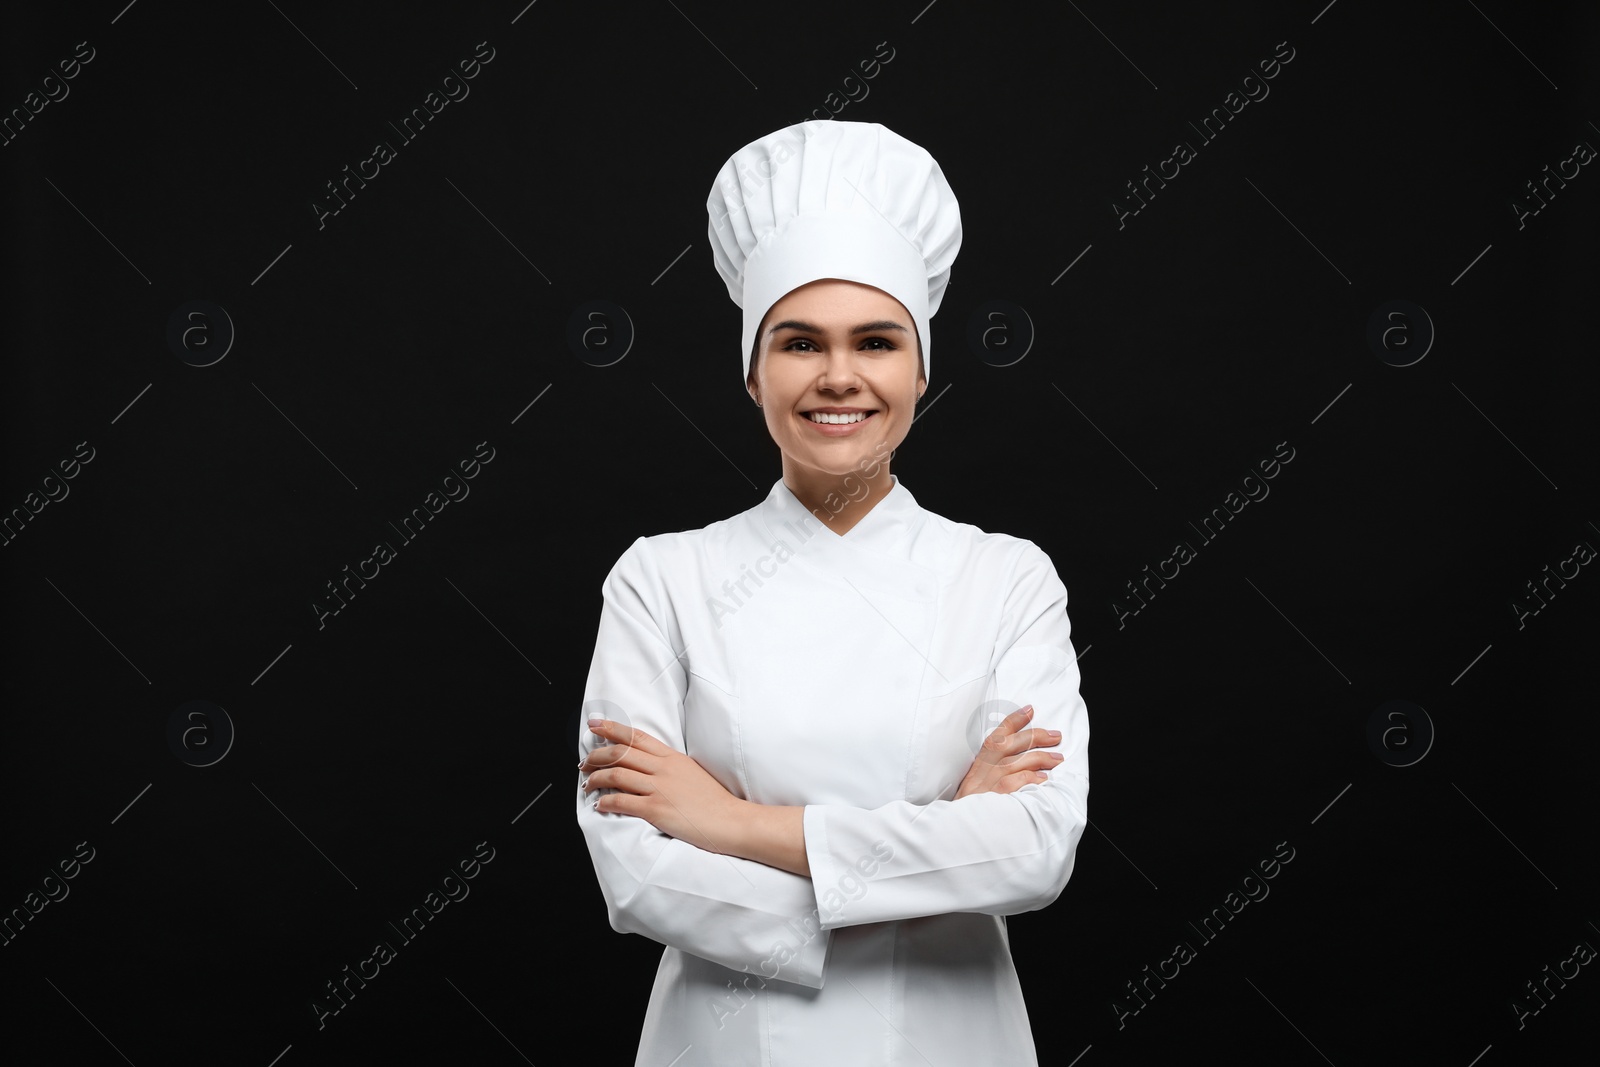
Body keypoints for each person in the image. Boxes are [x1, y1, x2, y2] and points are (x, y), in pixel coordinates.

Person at [575, 119, 1090, 1066]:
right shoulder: (661, 578)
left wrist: (730, 823)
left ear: (921, 368)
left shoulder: (1005, 577)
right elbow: (637, 869)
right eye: (801, 342)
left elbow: (1032, 846)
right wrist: (938, 849)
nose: (840, 376)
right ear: (753, 369)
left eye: (878, 342)